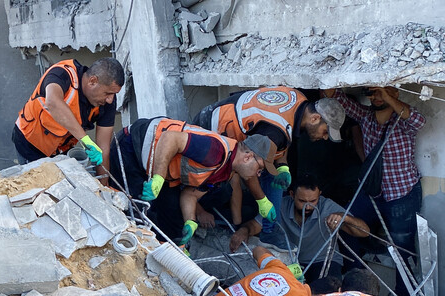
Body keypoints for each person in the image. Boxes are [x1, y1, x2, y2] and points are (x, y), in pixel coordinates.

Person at [192, 87, 346, 231]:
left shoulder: (298, 99)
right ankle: (270, 230)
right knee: (228, 189)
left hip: (218, 112)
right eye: (326, 131)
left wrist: (283, 166)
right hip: (208, 132)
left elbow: (284, 135)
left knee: (270, 177)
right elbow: (248, 169)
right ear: (314, 118)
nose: (325, 137)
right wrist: (262, 201)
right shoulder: (275, 131)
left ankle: (267, 228)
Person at [324, 86, 426, 296]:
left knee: (402, 248)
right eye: (373, 93)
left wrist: (387, 94)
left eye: (382, 92)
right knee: (345, 224)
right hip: (372, 192)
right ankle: (354, 285)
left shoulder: (404, 121)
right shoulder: (366, 117)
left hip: (402, 193)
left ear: (396, 93)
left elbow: (418, 120)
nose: (376, 97)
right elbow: (338, 99)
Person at [109, 117, 275, 245]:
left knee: (172, 222)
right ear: (247, 157)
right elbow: (170, 138)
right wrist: (157, 178)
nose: (258, 175)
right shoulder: (215, 151)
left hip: (163, 171)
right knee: (138, 211)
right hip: (132, 146)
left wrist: (190, 221)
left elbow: (190, 195)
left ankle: (174, 257)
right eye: (259, 169)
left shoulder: (226, 171)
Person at [228, 174, 370, 284]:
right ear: (291, 195)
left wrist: (345, 217)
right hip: (291, 261)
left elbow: (364, 232)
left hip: (323, 261)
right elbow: (255, 225)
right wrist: (244, 230)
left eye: (313, 201)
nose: (308, 207)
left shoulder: (327, 206)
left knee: (326, 293)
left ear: (319, 195)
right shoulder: (281, 205)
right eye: (302, 201)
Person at [12, 58, 124, 174]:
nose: (110, 100)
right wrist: (85, 140)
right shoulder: (62, 74)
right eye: (108, 93)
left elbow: (103, 150)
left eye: (114, 94)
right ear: (92, 81)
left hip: (61, 150)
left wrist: (103, 188)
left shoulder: (106, 102)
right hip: (30, 145)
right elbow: (53, 102)